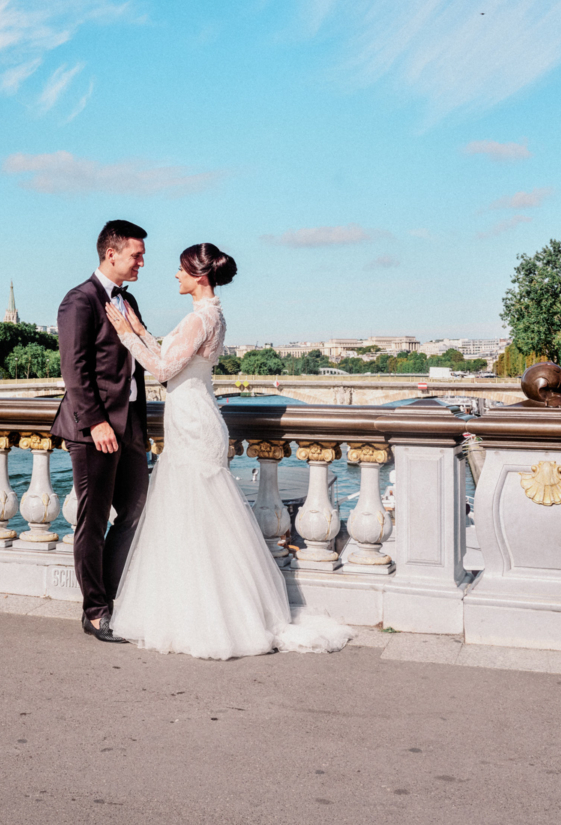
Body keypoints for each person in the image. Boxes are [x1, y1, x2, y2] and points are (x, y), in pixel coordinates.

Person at [103, 242, 352, 660]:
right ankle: (211, 612)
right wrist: (140, 330)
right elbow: (170, 356)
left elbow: (163, 370)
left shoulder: (201, 318)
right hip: (194, 417)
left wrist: (127, 334)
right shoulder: (210, 314)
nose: (176, 276)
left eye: (181, 270)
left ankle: (199, 617)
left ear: (199, 275)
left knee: (191, 518)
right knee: (199, 520)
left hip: (193, 423)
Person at [51, 220, 150, 644]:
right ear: (112, 253)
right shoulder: (80, 301)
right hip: (94, 428)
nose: (142, 262)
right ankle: (95, 611)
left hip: (128, 427)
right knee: (91, 522)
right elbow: (75, 370)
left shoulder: (128, 302)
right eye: (136, 255)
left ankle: (111, 594)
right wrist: (95, 423)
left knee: (135, 510)